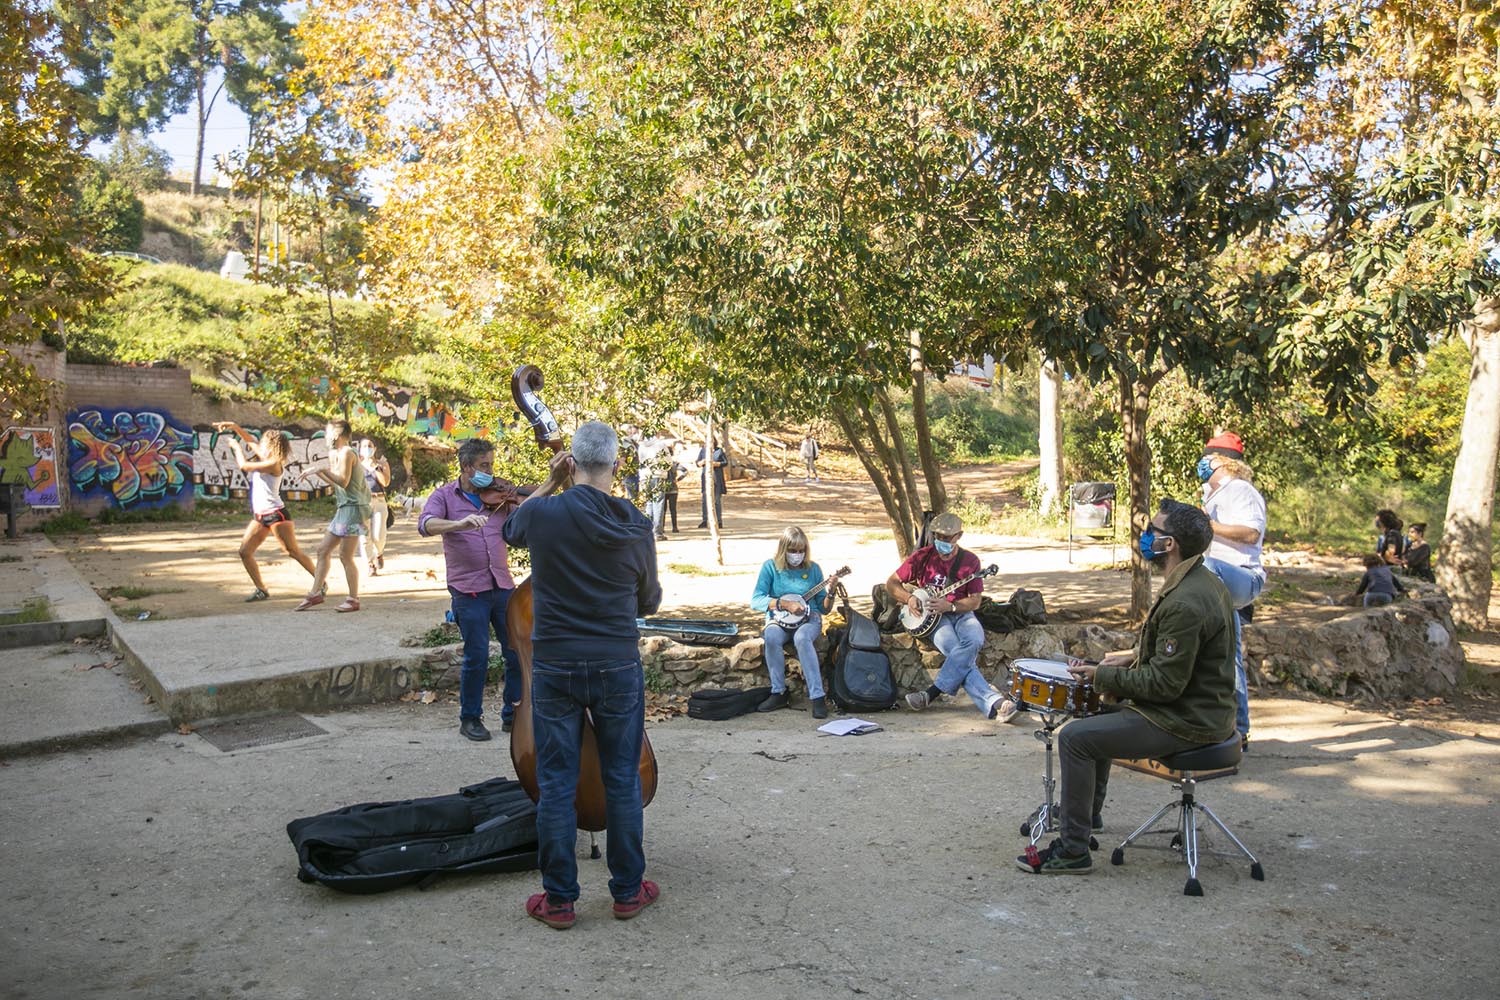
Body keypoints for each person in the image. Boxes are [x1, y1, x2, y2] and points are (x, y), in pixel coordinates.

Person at [1016, 499, 1236, 875]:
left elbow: (1165, 685)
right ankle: (1086, 819)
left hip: (1185, 721)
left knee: (1074, 737)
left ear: (1171, 545)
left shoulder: (1186, 601)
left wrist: (1101, 675)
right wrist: (1131, 658)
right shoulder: (1201, 579)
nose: (1145, 536)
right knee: (1096, 717)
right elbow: (1184, 656)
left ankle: (1072, 851)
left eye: (1154, 531)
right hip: (1196, 709)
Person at [502, 421, 662, 929]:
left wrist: (549, 482)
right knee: (621, 777)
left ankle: (560, 901)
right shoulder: (637, 523)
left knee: (556, 783)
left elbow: (510, 530)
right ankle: (628, 892)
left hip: (555, 665)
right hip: (616, 662)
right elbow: (649, 601)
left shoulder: (545, 513)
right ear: (616, 466)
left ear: (570, 462)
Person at [416, 438, 524, 741]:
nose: (490, 472)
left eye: (492, 464)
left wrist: (553, 481)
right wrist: (459, 524)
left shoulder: (500, 495)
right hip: (469, 590)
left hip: (502, 586)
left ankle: (513, 714)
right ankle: (470, 718)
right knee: (476, 656)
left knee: (516, 653)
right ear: (467, 467)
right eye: (484, 466)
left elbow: (529, 506)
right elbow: (426, 525)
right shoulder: (444, 497)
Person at [885, 511, 1018, 722]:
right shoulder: (922, 557)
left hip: (960, 612)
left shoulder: (970, 562)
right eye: (938, 536)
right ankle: (996, 703)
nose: (941, 541)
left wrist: (951, 606)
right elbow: (891, 583)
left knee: (974, 639)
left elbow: (975, 601)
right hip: (933, 619)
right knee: (957, 650)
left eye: (947, 537)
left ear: (959, 536)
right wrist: (909, 598)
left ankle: (932, 693)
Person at [1196, 431, 1266, 746]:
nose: (1203, 462)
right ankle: (1234, 726)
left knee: (1206, 569)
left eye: (1208, 457)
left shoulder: (1241, 491)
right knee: (1226, 652)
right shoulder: (1210, 495)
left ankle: (1237, 727)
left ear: (1222, 461)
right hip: (1218, 586)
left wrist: (1209, 526)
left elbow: (1251, 534)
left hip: (1241, 577)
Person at [213, 421, 317, 601]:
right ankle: (261, 589)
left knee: (292, 551)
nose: (259, 445)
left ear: (271, 445)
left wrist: (236, 447)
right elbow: (251, 440)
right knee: (245, 552)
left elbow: (244, 466)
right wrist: (235, 427)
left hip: (277, 514)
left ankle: (320, 582)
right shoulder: (265, 457)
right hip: (260, 516)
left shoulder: (274, 463)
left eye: (263, 443)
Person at [752, 526, 835, 719]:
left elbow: (824, 608)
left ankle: (817, 696)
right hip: (778, 619)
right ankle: (778, 692)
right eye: (793, 550)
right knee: (771, 636)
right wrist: (784, 604)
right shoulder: (770, 567)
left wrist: (831, 591)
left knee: (802, 637)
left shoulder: (813, 569)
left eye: (801, 550)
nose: (797, 555)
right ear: (784, 549)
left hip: (809, 618)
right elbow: (756, 600)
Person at [295, 419, 369, 613]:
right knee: (322, 550)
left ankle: (353, 599)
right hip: (343, 509)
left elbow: (343, 482)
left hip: (353, 509)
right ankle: (315, 593)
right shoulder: (336, 454)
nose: (326, 436)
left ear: (337, 434)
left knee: (345, 556)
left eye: (327, 432)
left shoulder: (346, 453)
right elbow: (336, 483)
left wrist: (321, 469)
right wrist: (317, 472)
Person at [357, 439, 392, 577]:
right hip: (363, 502)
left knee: (378, 534)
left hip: (379, 501)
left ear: (375, 449)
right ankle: (370, 564)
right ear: (360, 450)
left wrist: (376, 468)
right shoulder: (357, 466)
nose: (367, 448)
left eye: (369, 446)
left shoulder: (381, 464)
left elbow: (385, 482)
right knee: (364, 536)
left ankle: (379, 553)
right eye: (364, 446)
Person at [695, 441, 727, 529]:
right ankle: (705, 520)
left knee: (716, 500)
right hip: (705, 478)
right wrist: (701, 462)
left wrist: (716, 464)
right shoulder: (703, 451)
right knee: (705, 500)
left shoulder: (719, 451)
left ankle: (719, 521)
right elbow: (697, 462)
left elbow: (725, 462)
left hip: (716, 478)